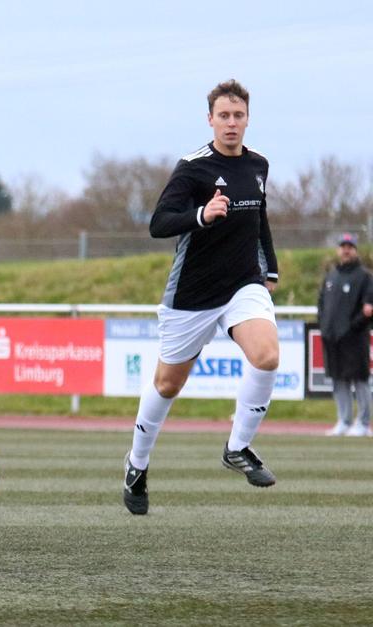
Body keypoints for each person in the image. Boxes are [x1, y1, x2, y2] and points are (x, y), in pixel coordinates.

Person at [122, 79, 280, 516]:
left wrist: (269, 268)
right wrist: (201, 215)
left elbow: (259, 219)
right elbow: (158, 223)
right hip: (192, 293)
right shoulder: (192, 168)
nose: (232, 123)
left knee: (266, 356)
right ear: (209, 119)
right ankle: (136, 464)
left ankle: (238, 447)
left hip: (243, 285)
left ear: (248, 118)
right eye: (223, 116)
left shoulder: (259, 165)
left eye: (239, 115)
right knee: (167, 384)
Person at [318, 232, 373, 437]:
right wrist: (324, 326)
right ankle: (344, 420)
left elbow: (368, 309)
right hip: (332, 338)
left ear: (355, 250)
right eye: (343, 245)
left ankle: (363, 423)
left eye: (350, 246)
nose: (346, 249)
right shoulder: (331, 275)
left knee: (359, 380)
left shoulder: (365, 277)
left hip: (355, 337)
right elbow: (322, 304)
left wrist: (352, 327)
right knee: (338, 380)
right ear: (338, 249)